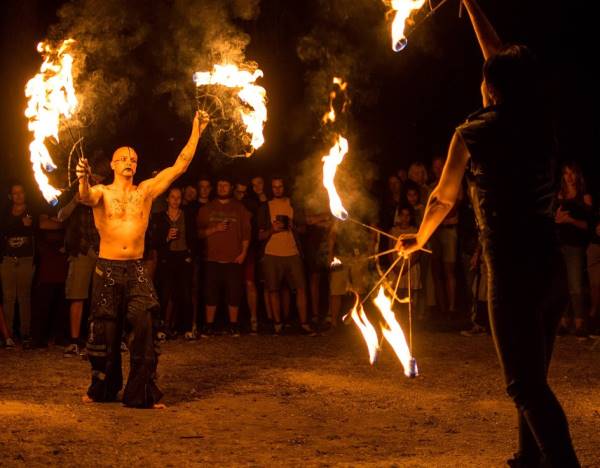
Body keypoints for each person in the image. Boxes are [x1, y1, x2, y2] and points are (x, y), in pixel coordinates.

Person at [397, 1, 579, 466]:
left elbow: (441, 199)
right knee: (534, 376)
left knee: (523, 384)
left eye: (485, 77)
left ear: (491, 88)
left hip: (512, 272)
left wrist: (418, 238)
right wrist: (471, 2)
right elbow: (498, 58)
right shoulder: (541, 120)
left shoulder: (473, 132)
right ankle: (529, 458)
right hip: (550, 269)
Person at [76, 110, 209, 408]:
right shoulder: (101, 192)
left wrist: (196, 130)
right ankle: (103, 389)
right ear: (112, 164)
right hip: (107, 268)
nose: (129, 162)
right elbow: (84, 197)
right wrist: (81, 179)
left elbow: (180, 165)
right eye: (123, 158)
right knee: (104, 334)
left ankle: (141, 393)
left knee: (145, 327)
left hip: (135, 269)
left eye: (133, 159)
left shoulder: (145, 192)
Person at [258, 177, 315, 335]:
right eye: (274, 187)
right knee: (273, 289)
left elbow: (304, 230)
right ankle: (278, 324)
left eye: (280, 186)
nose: (277, 189)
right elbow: (259, 236)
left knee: (301, 288)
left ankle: (304, 323)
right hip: (271, 254)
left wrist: (292, 226)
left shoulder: (293, 205)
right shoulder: (265, 207)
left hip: (292, 253)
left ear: (284, 187)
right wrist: (272, 230)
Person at [197, 176, 251, 337]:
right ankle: (209, 325)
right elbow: (198, 233)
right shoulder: (206, 208)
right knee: (210, 293)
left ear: (231, 187)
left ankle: (233, 325)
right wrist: (215, 229)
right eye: (219, 185)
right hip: (211, 259)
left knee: (234, 293)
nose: (222, 188)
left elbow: (246, 233)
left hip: (233, 259)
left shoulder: (239, 208)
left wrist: (243, 253)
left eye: (225, 185)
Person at [555, 162, 593, 337]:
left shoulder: (584, 197)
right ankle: (564, 321)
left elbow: (589, 225)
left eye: (572, 173)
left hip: (575, 245)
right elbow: (553, 219)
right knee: (562, 285)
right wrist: (557, 220)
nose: (569, 177)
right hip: (559, 244)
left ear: (578, 175)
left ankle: (580, 322)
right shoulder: (560, 195)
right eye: (566, 173)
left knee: (576, 285)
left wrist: (570, 221)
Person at [154, 187, 196, 340]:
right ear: (167, 199)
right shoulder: (160, 217)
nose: (176, 200)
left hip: (183, 257)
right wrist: (166, 237)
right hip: (167, 258)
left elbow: (194, 236)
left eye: (178, 197)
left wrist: (190, 254)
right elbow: (154, 240)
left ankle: (186, 328)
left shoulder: (187, 215)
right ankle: (161, 328)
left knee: (185, 293)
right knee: (164, 294)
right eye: (173, 197)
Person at [0, 183, 36, 349]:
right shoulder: (6, 213)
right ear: (10, 196)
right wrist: (21, 225)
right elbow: (5, 229)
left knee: (24, 296)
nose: (18, 196)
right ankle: (8, 335)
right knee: (8, 297)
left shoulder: (32, 211)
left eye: (21, 192)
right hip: (8, 259)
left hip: (26, 258)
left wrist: (29, 225)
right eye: (15, 193)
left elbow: (38, 230)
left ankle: (25, 333)